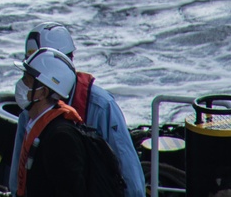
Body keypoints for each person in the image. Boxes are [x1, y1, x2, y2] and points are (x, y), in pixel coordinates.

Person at [8, 23, 145, 197]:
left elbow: (130, 178)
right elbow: (18, 180)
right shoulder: (31, 113)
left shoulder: (101, 106)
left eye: (29, 77)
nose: (22, 84)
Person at [12, 47, 93, 196]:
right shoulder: (36, 124)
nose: (20, 84)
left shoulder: (61, 138)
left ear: (43, 92)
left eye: (27, 80)